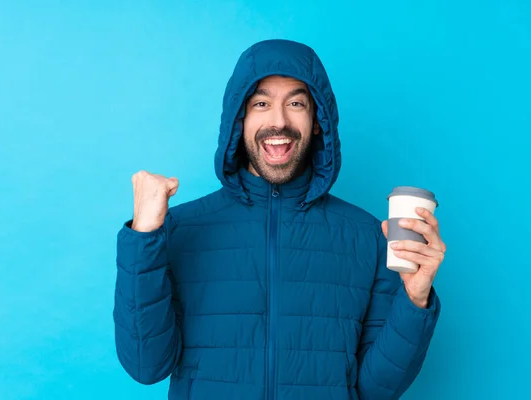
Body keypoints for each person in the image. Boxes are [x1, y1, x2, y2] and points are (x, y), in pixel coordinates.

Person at [113, 39, 445, 400]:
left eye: (297, 103)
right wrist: (144, 237)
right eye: (261, 103)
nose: (279, 121)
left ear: (318, 122)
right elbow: (147, 366)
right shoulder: (180, 229)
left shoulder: (367, 237)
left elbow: (376, 389)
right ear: (239, 121)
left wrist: (415, 299)